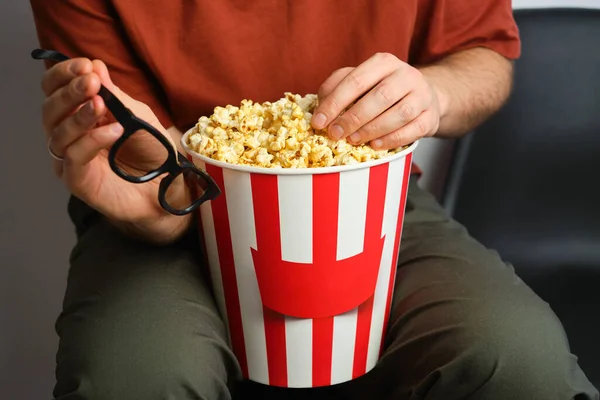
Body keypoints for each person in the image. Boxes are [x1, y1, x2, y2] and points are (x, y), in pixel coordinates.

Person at [29, 1, 598, 399]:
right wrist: (156, 192)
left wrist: (433, 93)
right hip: (163, 189)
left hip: (371, 191)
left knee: (521, 360)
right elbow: (145, 158)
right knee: (131, 375)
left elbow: (484, 58)